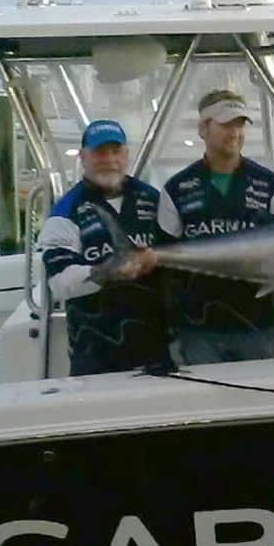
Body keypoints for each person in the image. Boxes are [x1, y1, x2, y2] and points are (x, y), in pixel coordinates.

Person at [156, 89, 274, 364]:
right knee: (205, 404)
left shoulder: (269, 185)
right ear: (203, 129)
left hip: (256, 324)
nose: (235, 133)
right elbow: (165, 263)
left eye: (240, 124)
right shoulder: (177, 188)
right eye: (226, 124)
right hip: (197, 328)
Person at [38, 119, 165, 376]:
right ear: (83, 157)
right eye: (99, 152)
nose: (109, 159)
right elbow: (60, 283)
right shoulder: (65, 212)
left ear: (126, 155)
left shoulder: (153, 199)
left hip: (157, 348)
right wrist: (108, 272)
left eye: (115, 151)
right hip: (94, 352)